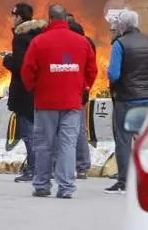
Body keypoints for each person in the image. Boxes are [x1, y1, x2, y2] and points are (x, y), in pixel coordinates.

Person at [22, 4, 97, 199]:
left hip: (45, 102)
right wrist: (83, 87)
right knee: (68, 145)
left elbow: (27, 71)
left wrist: (34, 89)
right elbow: (92, 70)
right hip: (72, 103)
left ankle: (42, 185)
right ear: (65, 19)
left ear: (50, 19)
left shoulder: (39, 42)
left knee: (44, 145)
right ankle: (66, 187)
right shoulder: (82, 42)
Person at [104, 9, 148, 195]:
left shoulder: (119, 44)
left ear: (121, 26)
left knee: (123, 140)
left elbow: (114, 75)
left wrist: (109, 71)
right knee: (146, 140)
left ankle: (124, 182)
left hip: (126, 100)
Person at [1, 3, 46, 183]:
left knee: (28, 134)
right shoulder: (40, 34)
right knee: (41, 134)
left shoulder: (20, 37)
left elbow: (20, 65)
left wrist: (7, 59)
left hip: (24, 92)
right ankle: (42, 168)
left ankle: (34, 169)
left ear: (19, 17)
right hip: (40, 90)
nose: (12, 19)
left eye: (13, 15)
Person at [66, 13, 95, 179]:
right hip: (82, 91)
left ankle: (69, 165)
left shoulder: (72, 45)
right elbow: (92, 69)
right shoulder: (88, 43)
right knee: (80, 130)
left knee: (63, 130)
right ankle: (82, 166)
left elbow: (66, 65)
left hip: (70, 91)